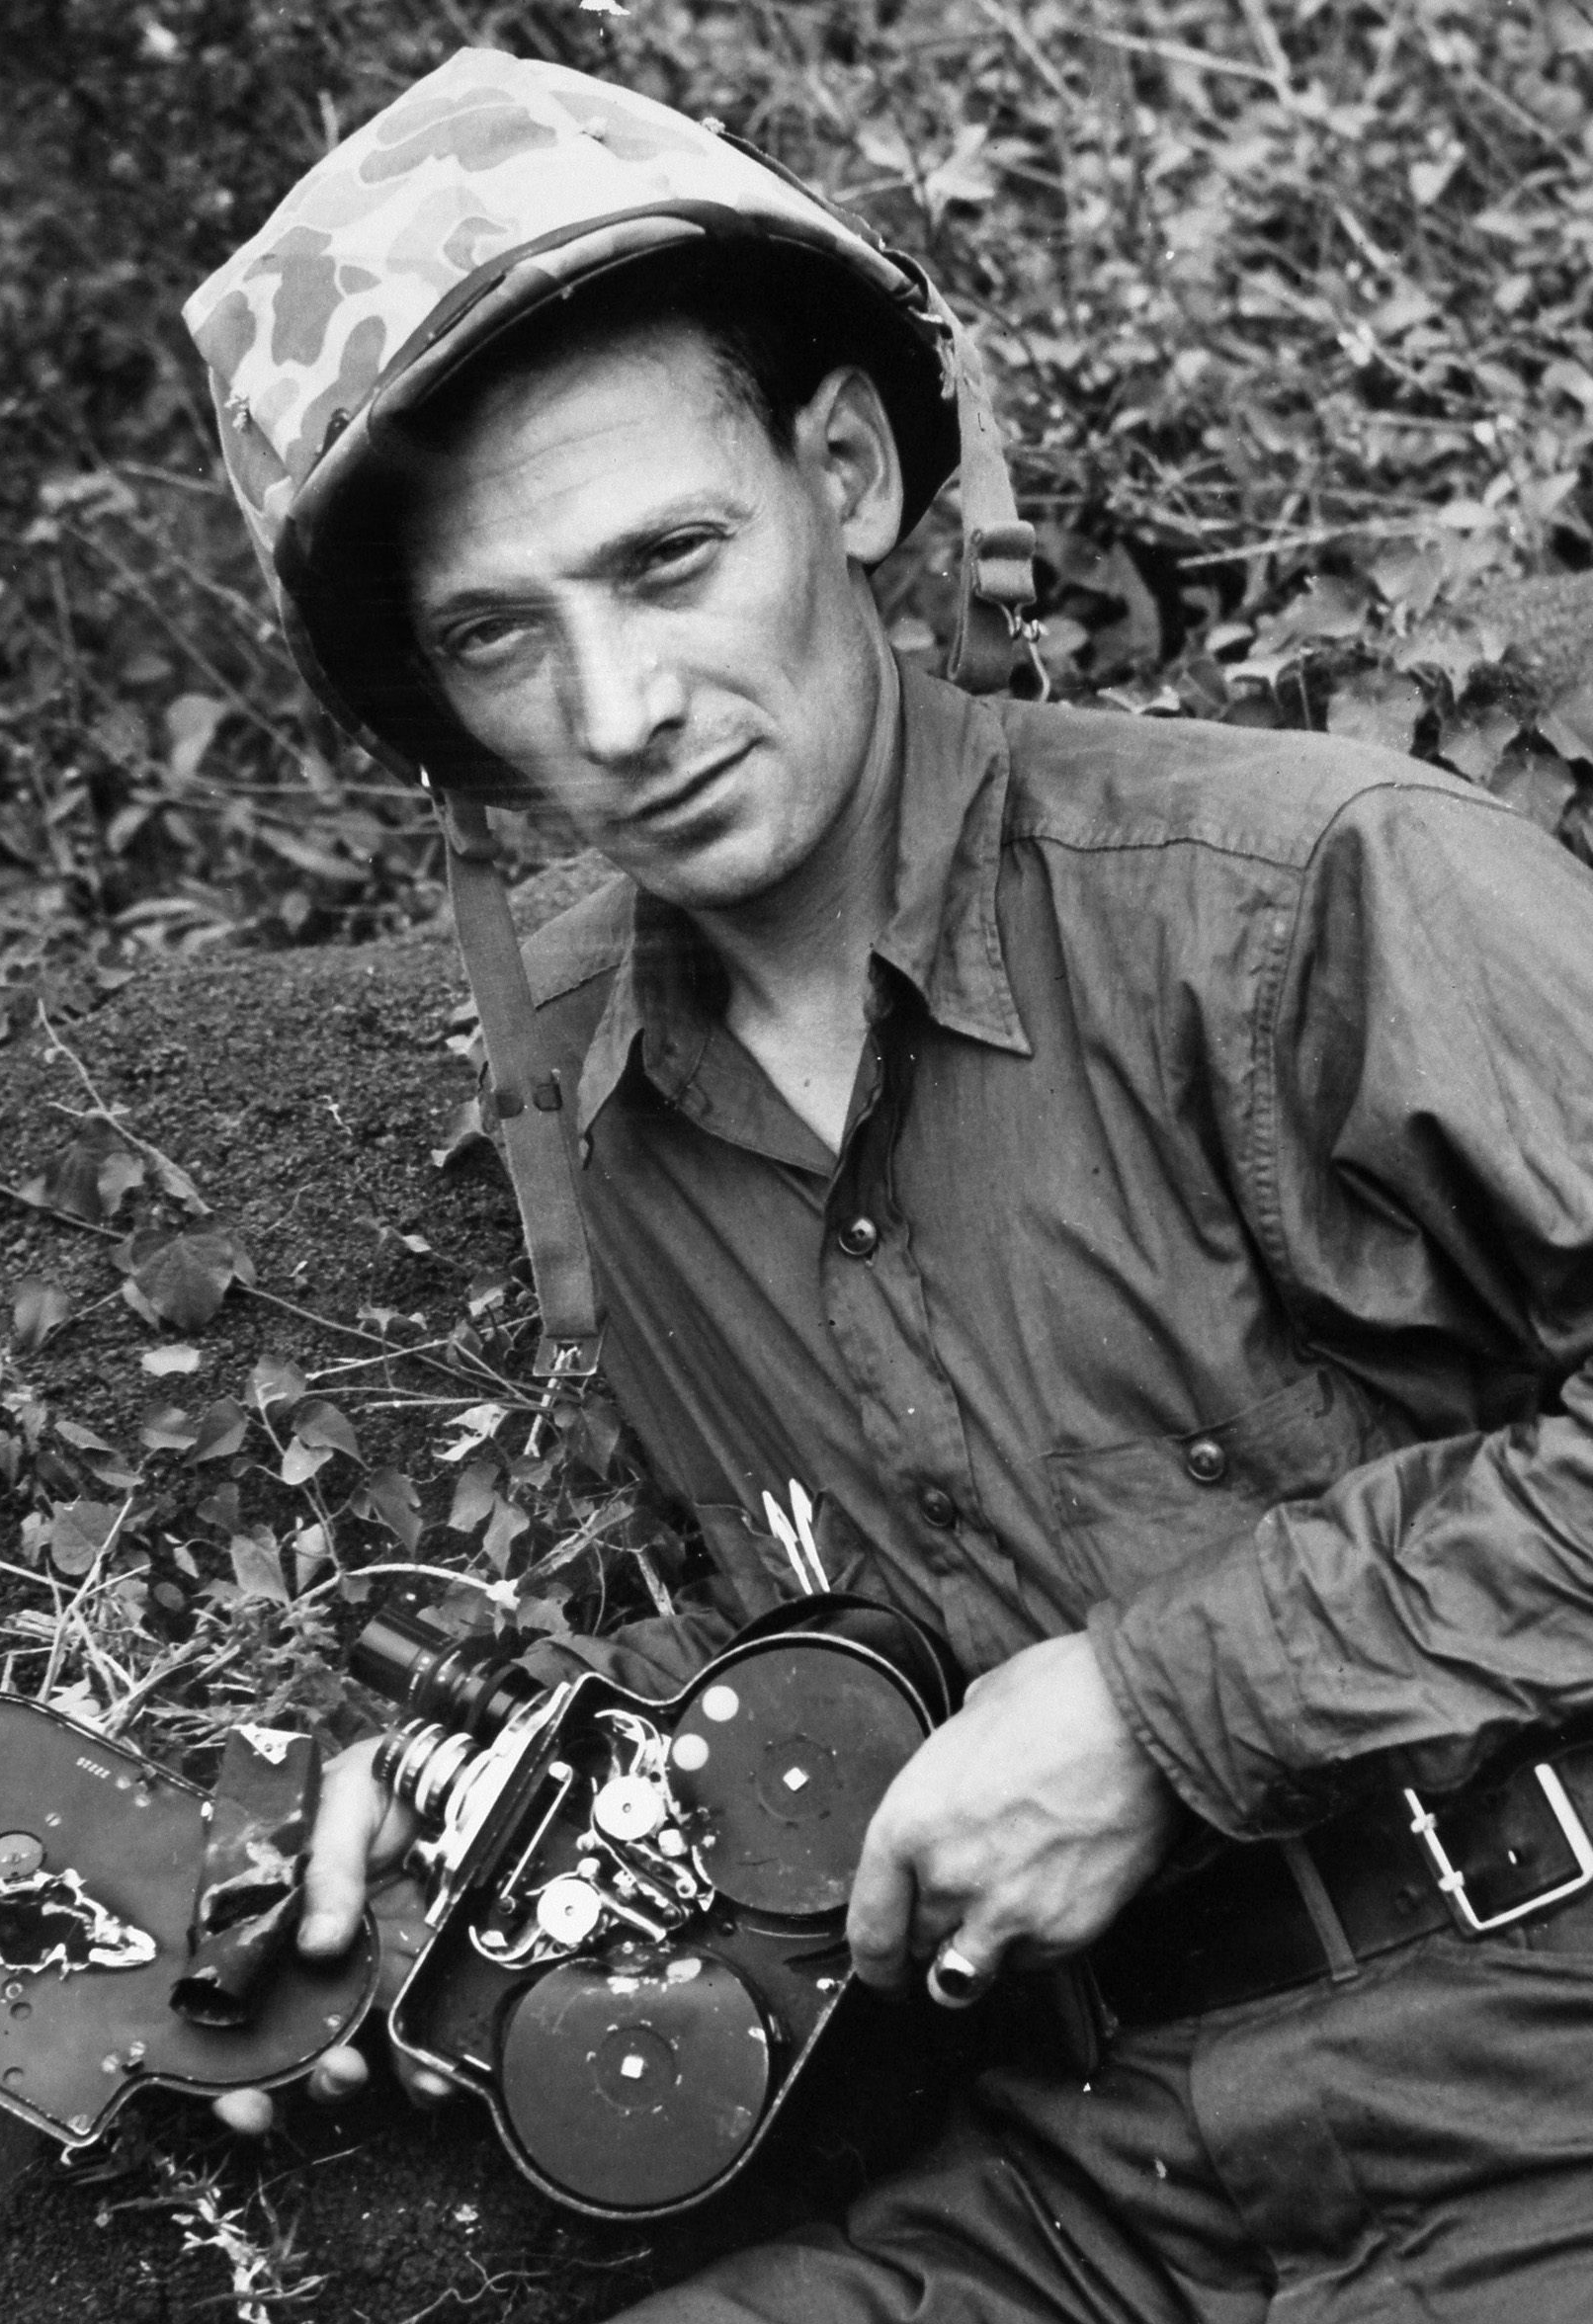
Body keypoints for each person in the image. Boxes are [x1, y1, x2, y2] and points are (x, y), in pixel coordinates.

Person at [186, 47, 1593, 2320]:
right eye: (500, 634)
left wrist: (1162, 1710)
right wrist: (451, 1852)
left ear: (842, 472)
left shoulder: (1309, 893)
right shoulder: (619, 1133)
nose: (621, 706)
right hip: (1095, 2185)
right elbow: (847, 1671)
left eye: (666, 560)